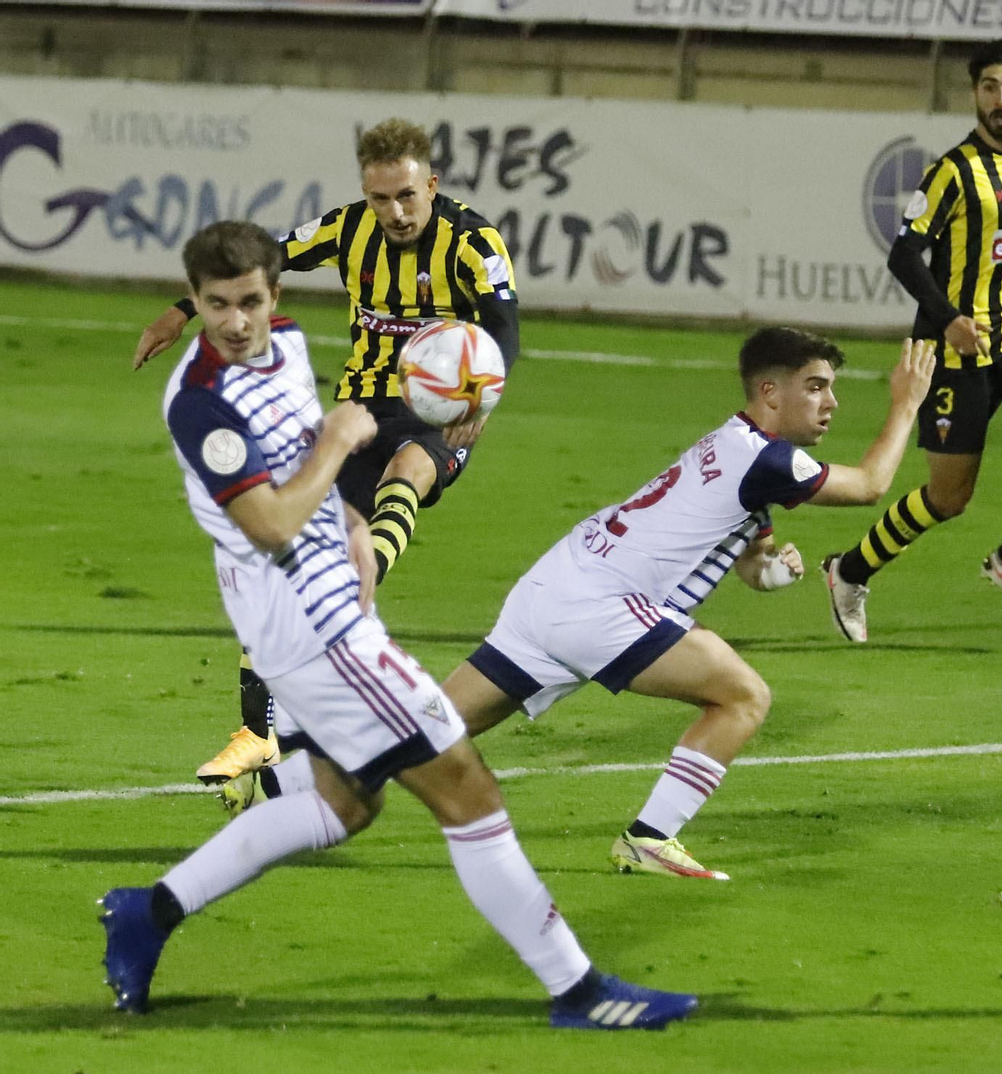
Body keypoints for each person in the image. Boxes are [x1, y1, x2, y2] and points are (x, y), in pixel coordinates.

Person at [100, 220, 695, 1030]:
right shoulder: (200, 400)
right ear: (196, 302)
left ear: (275, 294)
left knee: (343, 804)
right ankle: (580, 991)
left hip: (321, 610)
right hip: (315, 631)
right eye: (215, 305)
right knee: (466, 788)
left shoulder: (286, 343)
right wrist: (341, 442)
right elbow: (270, 522)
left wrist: (351, 525)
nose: (234, 322)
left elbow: (299, 457)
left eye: (248, 301)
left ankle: (149, 912)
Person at [429, 329, 935, 880]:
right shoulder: (768, 462)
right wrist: (907, 403)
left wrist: (777, 572)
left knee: (419, 731)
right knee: (743, 697)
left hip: (553, 586)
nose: (831, 403)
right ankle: (649, 839)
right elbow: (869, 485)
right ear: (770, 392)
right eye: (816, 387)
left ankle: (322, 776)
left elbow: (752, 566)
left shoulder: (730, 445)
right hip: (601, 606)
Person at [133, 118, 521, 797]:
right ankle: (262, 734)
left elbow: (505, 332)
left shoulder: (473, 243)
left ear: (430, 184)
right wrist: (178, 309)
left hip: (436, 411)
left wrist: (480, 403)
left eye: (406, 196)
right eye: (380, 199)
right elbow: (258, 259)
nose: (394, 213)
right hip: (357, 408)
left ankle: (355, 582)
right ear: (364, 194)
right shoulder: (346, 230)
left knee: (410, 473)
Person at [821, 37, 1002, 642]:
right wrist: (950, 317)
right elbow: (904, 253)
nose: (1001, 98)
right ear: (975, 95)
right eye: (989, 87)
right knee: (948, 499)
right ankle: (848, 571)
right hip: (958, 354)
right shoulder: (952, 171)